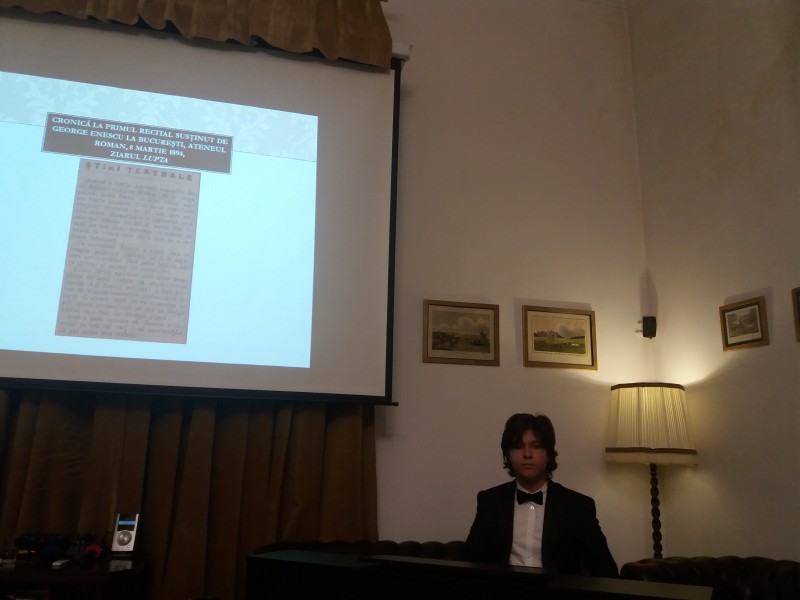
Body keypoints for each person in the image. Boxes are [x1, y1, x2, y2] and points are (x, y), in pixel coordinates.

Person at [462, 413, 618, 577]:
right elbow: (469, 564)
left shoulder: (577, 507)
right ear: (507, 454)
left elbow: (606, 572)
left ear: (549, 453)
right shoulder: (490, 502)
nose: (527, 454)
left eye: (536, 446)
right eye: (518, 446)